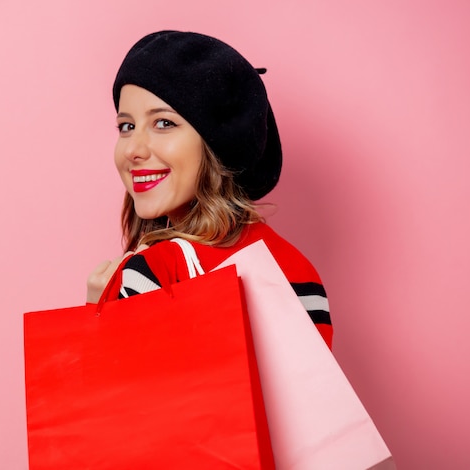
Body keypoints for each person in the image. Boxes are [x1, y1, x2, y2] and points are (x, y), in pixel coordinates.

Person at [87, 30, 333, 350]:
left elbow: (112, 396)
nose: (133, 149)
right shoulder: (298, 269)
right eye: (126, 126)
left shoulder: (153, 270)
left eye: (163, 123)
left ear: (216, 142)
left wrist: (95, 318)